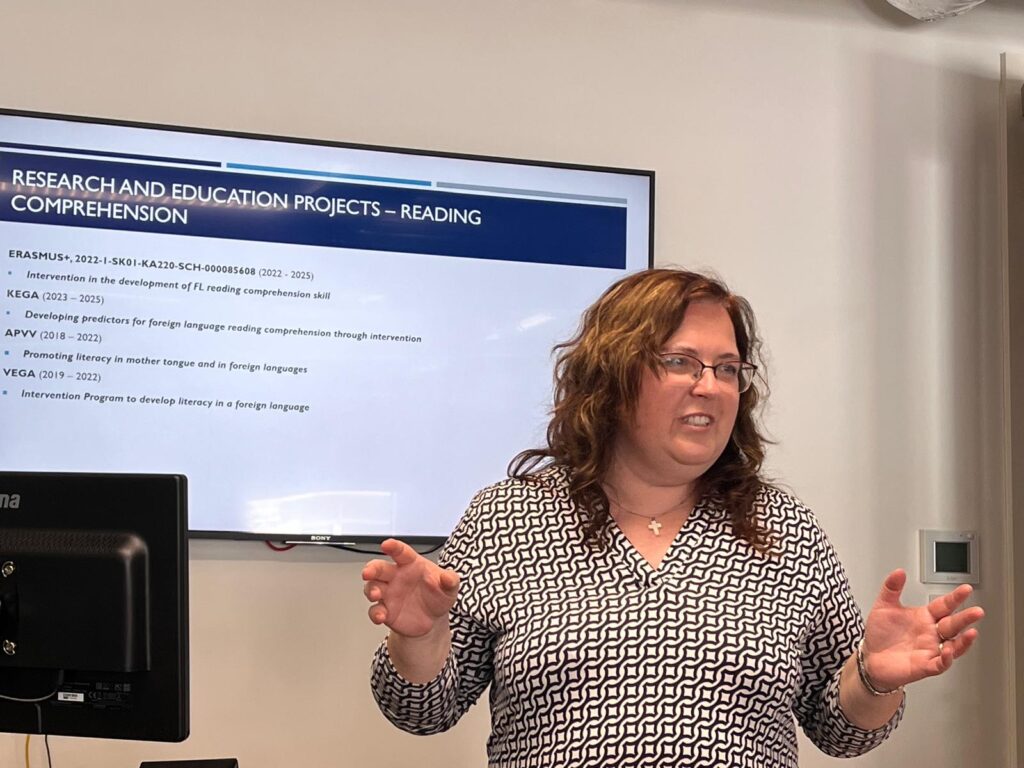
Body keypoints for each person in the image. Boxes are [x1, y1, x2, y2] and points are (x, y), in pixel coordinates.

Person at [363, 267, 984, 767]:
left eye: (727, 368)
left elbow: (840, 730)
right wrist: (417, 637)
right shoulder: (509, 517)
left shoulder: (784, 528)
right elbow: (421, 711)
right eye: (680, 361)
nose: (709, 386)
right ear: (612, 377)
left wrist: (874, 678)